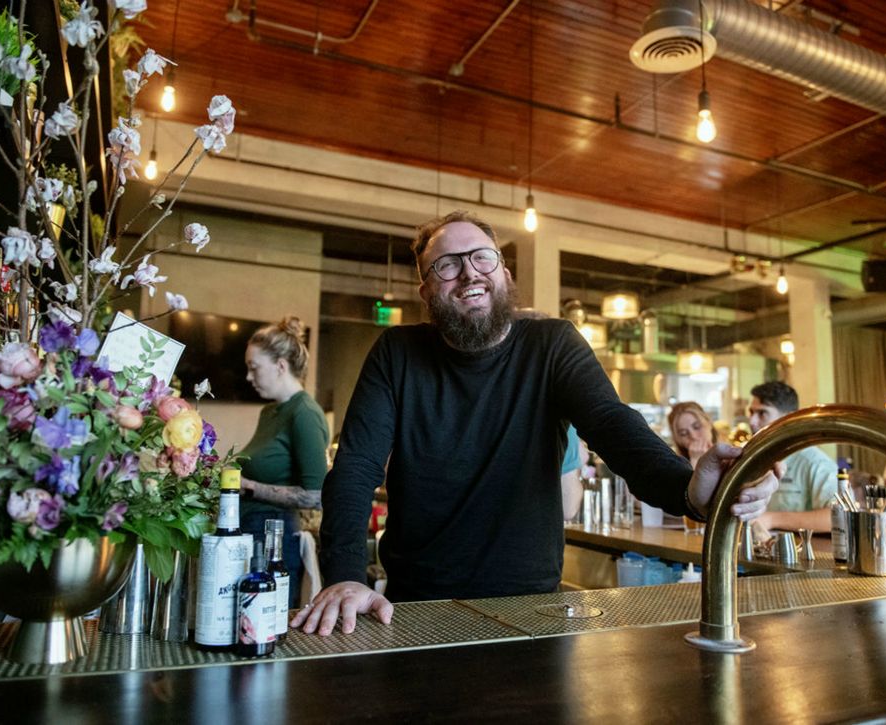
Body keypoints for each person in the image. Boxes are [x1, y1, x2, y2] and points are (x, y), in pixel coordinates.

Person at [294, 210, 778, 636]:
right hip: (419, 602)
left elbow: (612, 425)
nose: (468, 273)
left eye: (481, 257)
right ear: (426, 291)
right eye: (446, 265)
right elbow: (356, 466)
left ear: (503, 272)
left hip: (532, 604)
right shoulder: (396, 353)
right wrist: (344, 575)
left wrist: (691, 491)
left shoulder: (553, 345)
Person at [239, 316, 330, 608]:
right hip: (247, 532)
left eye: (254, 368)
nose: (249, 377)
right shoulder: (269, 413)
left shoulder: (304, 413)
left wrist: (249, 487)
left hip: (274, 539)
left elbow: (315, 496)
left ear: (280, 365)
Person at [747, 381, 835, 533]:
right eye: (751, 412)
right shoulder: (753, 460)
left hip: (799, 553)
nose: (752, 421)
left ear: (788, 419)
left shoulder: (815, 462)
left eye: (762, 413)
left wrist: (772, 519)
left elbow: (836, 517)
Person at [668, 401, 718, 467]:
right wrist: (695, 460)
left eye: (697, 427)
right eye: (684, 433)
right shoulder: (675, 467)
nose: (693, 436)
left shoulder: (730, 456)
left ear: (709, 423)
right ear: (678, 440)